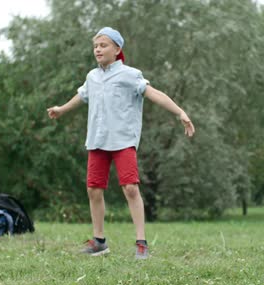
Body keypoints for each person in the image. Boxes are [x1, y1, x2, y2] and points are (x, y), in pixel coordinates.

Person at [46, 27, 195, 259]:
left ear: (117, 49)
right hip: (97, 140)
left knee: (130, 188)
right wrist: (61, 109)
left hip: (123, 140)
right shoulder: (92, 77)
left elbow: (155, 94)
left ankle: (141, 243)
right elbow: (82, 95)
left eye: (103, 45)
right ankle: (99, 242)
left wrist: (180, 113)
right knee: (93, 190)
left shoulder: (129, 74)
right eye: (96, 46)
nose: (98, 49)